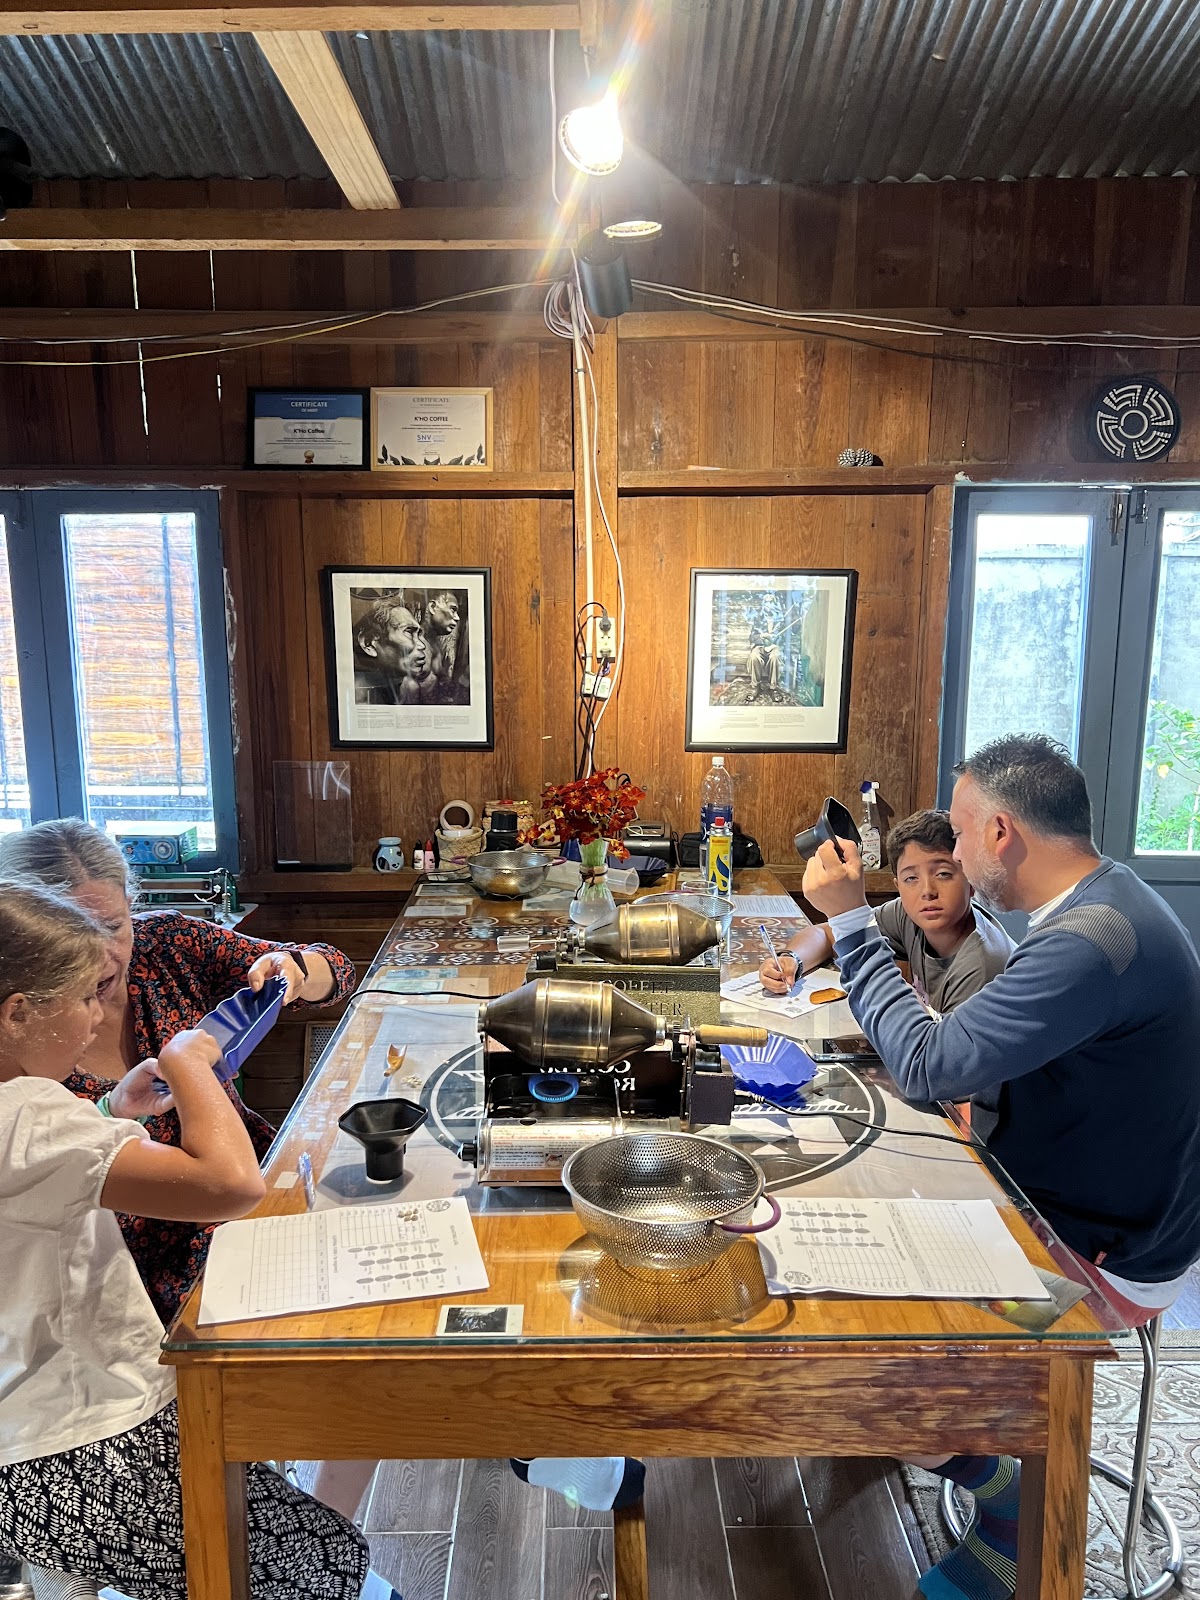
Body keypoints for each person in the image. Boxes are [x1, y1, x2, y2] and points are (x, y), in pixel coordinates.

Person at [801, 733, 1200, 1600]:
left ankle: (1011, 1501)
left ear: (1000, 833)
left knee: (837, 1339)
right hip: (1080, 1203)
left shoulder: (1090, 940)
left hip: (1095, 1255)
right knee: (848, 1228)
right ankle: (973, 1449)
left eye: (959, 830)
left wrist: (851, 922)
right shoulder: (1110, 900)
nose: (953, 847)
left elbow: (929, 1066)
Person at [0, 882, 399, 1600]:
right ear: (18, 1013)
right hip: (86, 1444)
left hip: (38, 1439)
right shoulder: (28, 1113)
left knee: (307, 1553)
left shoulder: (29, 1111)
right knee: (323, 1573)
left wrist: (111, 1109)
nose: (97, 1017)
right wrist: (188, 1060)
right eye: (85, 998)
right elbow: (231, 1184)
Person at [0, 819, 357, 1323]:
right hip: (139, 1278)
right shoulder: (24, 1089)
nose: (101, 958)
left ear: (132, 907)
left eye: (113, 926)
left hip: (248, 1217)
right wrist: (186, 1063)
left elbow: (336, 970)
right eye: (75, 940)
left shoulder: (165, 946)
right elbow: (226, 1185)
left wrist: (295, 969)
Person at [759, 808, 1014, 1010]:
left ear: (972, 880)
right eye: (911, 878)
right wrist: (791, 960)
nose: (927, 891)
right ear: (898, 886)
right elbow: (826, 934)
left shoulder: (981, 968)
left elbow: (941, 1058)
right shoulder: (908, 915)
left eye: (944, 874)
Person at [353, 599, 430, 705]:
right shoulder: (356, 696)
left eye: (419, 634)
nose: (422, 645)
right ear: (369, 643)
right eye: (408, 632)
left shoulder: (407, 688)